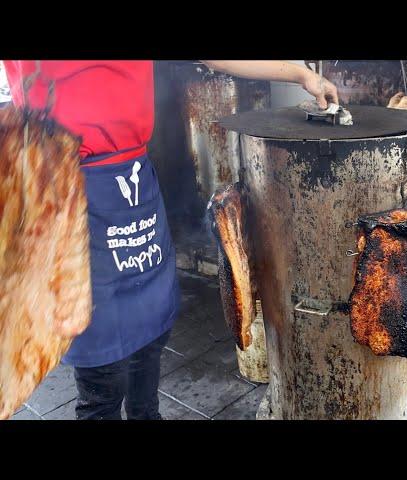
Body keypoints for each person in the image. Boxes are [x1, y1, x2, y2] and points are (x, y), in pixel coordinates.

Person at [2, 60, 339, 420]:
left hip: (135, 182)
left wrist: (303, 74)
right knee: (104, 374)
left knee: (150, 339)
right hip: (67, 189)